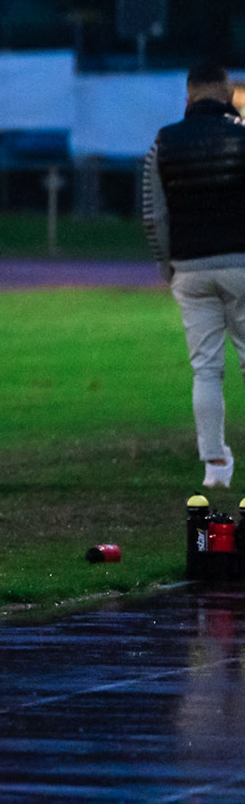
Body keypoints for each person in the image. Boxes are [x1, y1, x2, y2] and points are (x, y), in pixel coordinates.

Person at [141, 61, 245, 491]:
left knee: (206, 369)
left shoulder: (163, 143)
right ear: (227, 96)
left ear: (188, 97)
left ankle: (215, 465)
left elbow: (154, 214)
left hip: (189, 266)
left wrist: (167, 264)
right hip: (241, 263)